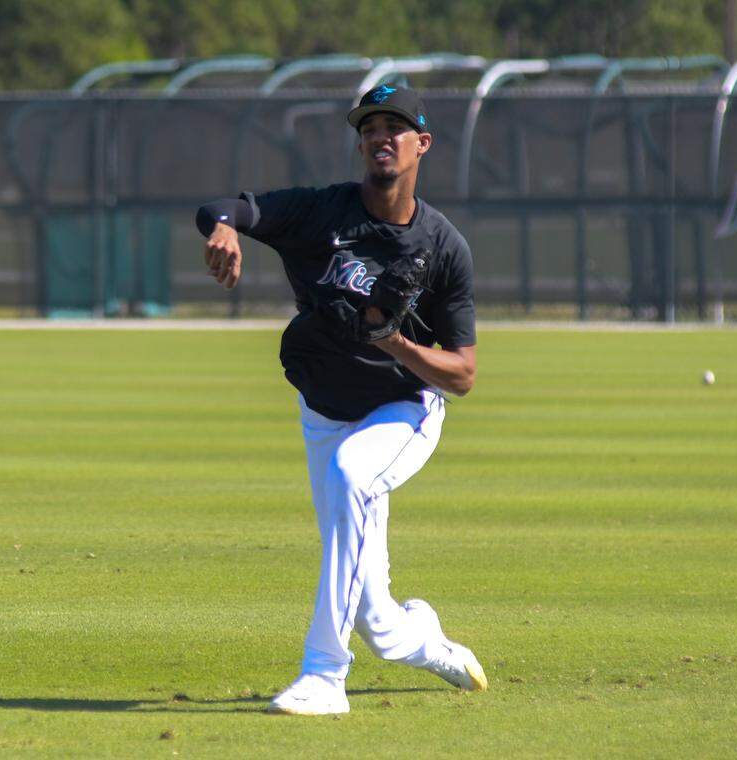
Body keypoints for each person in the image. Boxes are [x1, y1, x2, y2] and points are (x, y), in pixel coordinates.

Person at [195, 85, 486, 716]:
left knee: (356, 473)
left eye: (396, 126)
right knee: (375, 616)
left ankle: (325, 676)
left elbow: (460, 375)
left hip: (403, 410)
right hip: (325, 412)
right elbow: (224, 208)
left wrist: (394, 342)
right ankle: (426, 640)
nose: (382, 135)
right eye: (371, 126)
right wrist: (224, 230)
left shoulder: (442, 248)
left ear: (421, 144)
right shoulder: (320, 212)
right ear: (360, 143)